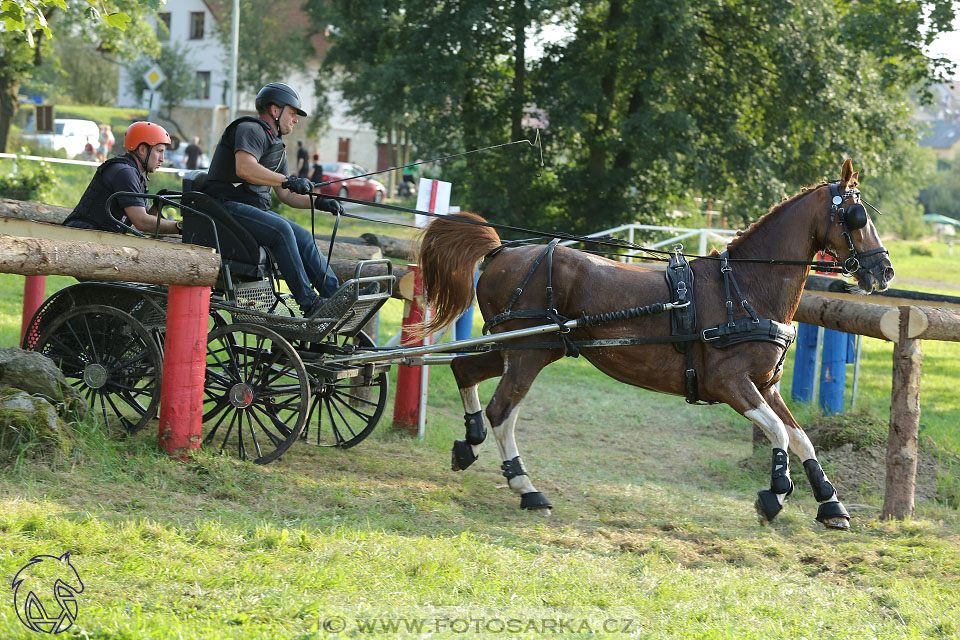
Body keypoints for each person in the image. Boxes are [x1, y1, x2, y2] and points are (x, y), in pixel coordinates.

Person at [202, 82, 359, 317]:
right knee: (281, 229)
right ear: (275, 110)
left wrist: (319, 202)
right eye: (293, 113)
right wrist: (287, 179)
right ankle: (310, 303)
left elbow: (285, 195)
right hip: (224, 207)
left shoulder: (276, 145)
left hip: (251, 210)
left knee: (304, 236)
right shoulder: (250, 129)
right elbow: (245, 168)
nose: (295, 119)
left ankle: (335, 297)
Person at [63, 121, 181, 235]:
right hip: (82, 235)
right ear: (142, 150)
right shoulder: (125, 173)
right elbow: (142, 222)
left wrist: (157, 205)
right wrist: (180, 226)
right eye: (159, 151)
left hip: (95, 236)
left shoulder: (135, 174)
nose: (162, 158)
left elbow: (145, 222)